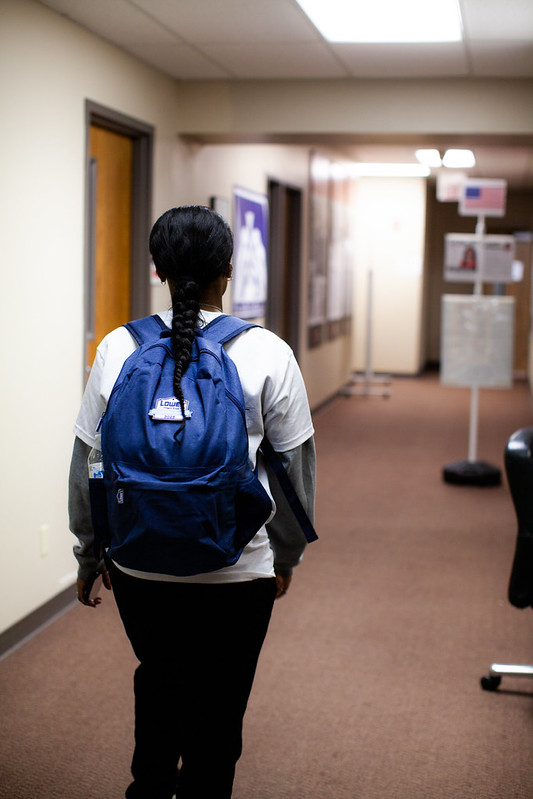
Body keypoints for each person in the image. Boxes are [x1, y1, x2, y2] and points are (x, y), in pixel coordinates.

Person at [68, 205, 316, 799]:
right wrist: (284, 559)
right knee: (220, 707)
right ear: (227, 270)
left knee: (159, 682)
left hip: (138, 563)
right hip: (240, 568)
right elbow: (294, 477)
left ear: (157, 270)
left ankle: (149, 785)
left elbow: (87, 467)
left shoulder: (116, 349)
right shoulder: (269, 352)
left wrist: (90, 554)